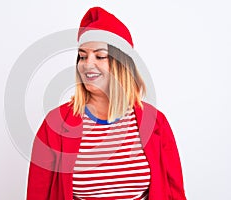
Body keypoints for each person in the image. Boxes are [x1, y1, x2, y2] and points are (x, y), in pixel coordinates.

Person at [27, 6, 187, 200]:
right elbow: (37, 194)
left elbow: (174, 193)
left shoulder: (156, 123)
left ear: (122, 64)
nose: (87, 64)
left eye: (100, 56)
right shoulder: (55, 124)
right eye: (83, 56)